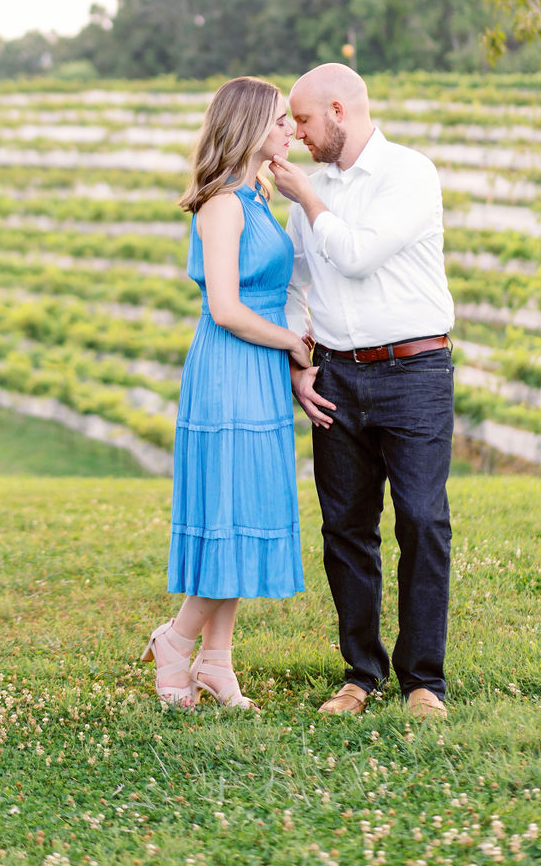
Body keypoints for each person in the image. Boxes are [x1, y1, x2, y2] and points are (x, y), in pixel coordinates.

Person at [269, 63, 456, 720]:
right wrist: (298, 359)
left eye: (304, 119)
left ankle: (423, 680)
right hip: (337, 375)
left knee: (422, 520)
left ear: (340, 112)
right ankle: (360, 673)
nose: (295, 132)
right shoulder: (311, 191)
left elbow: (355, 253)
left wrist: (309, 201)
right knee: (345, 526)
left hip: (414, 371)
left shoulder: (409, 174)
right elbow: (296, 284)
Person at [143, 76, 328, 709]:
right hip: (230, 368)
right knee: (229, 513)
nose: (290, 130)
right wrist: (291, 344)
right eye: (280, 120)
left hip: (258, 371)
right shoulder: (223, 203)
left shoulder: (257, 196)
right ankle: (176, 642)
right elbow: (224, 307)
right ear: (251, 127)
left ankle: (217, 662)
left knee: (242, 511)